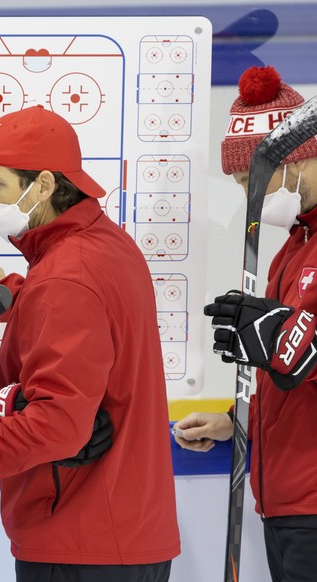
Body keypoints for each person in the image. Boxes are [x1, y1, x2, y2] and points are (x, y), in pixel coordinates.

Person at [0, 104, 180, 582]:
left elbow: (58, 426)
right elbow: (85, 327)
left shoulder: (65, 278)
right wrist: (15, 297)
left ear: (43, 185)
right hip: (117, 533)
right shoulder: (105, 246)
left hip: (80, 542)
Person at [173, 65, 317, 582]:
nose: (248, 199)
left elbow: (301, 352)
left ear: (297, 158)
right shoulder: (295, 248)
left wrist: (286, 339)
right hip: (287, 503)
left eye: (251, 182)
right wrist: (241, 424)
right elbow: (292, 385)